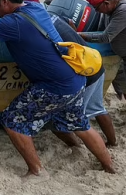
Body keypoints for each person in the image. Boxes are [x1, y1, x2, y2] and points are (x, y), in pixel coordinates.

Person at [0, 0, 114, 181]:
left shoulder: (13, 23)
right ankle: (109, 166)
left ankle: (37, 171)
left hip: (54, 86)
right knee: (81, 125)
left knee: (12, 120)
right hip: (74, 79)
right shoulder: (33, 6)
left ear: (4, 2)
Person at [49, 14, 116, 146]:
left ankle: (78, 147)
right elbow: (70, 21)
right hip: (94, 62)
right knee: (97, 108)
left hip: (82, 72)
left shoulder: (36, 24)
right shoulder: (54, 15)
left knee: (57, 122)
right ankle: (113, 143)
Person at [81, 0, 126, 100]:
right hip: (118, 53)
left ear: (106, 3)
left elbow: (105, 37)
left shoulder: (123, 11)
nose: (96, 11)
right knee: (121, 81)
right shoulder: (108, 10)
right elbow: (99, 29)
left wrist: (76, 34)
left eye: (96, 8)